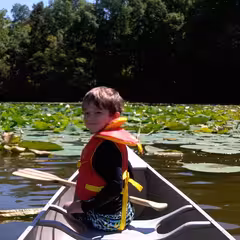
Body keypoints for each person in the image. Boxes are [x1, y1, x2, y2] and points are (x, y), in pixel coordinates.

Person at [64, 86, 143, 232]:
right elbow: (128, 169)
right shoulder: (113, 142)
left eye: (98, 112)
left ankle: (83, 233)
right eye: (87, 113)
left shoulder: (105, 148)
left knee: (67, 208)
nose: (90, 117)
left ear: (114, 116)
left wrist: (82, 206)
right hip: (125, 213)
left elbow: (115, 186)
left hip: (109, 220)